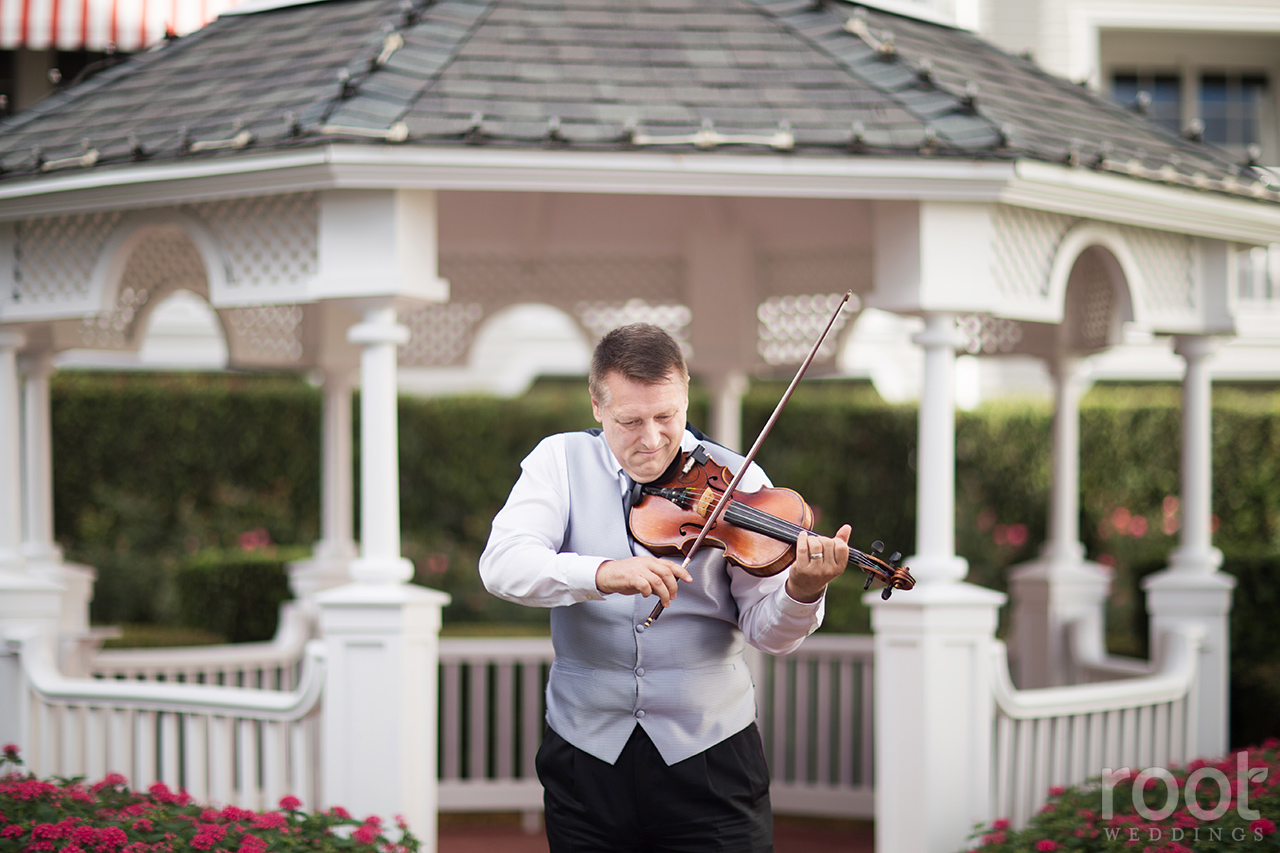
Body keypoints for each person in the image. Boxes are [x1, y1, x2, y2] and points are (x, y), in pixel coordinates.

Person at [479, 322, 850, 853]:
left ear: (686, 397)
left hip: (712, 761)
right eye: (630, 420)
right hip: (585, 758)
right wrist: (602, 572)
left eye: (666, 416)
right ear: (596, 407)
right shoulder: (557, 461)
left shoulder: (738, 481)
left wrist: (803, 592)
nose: (651, 440)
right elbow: (502, 564)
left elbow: (770, 635)